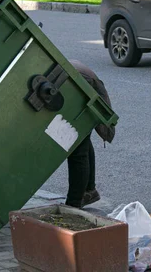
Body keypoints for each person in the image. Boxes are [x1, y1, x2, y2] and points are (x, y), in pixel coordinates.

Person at [66, 60, 115, 208]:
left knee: (76, 145)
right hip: (79, 81)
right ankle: (89, 190)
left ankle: (74, 203)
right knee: (82, 138)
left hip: (82, 84)